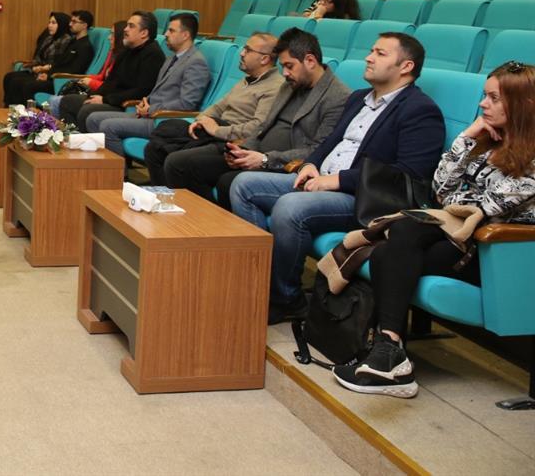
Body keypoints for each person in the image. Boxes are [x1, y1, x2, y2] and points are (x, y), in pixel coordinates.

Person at [331, 61, 535, 398]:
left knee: (394, 245)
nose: (483, 104)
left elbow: (489, 206)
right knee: (395, 243)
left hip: (495, 257)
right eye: (484, 96)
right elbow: (441, 190)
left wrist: (459, 202)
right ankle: (389, 352)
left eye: (494, 98)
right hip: (457, 241)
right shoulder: (486, 141)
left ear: (525, 104)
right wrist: (466, 138)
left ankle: (388, 356)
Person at [230, 32, 445, 323]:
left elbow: (409, 175)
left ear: (406, 67)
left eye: (380, 53)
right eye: (371, 50)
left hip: (363, 198)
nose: (369, 58)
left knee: (290, 207)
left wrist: (339, 180)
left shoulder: (420, 110)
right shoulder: (358, 98)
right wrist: (311, 164)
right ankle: (259, 282)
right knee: (243, 185)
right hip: (322, 181)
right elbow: (331, 141)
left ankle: (286, 298)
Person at [157, 28, 351, 208]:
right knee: (180, 164)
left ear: (310, 60)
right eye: (283, 66)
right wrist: (242, 151)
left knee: (227, 181)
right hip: (255, 153)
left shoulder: (337, 97)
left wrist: (265, 159)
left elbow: (317, 150)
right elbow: (264, 126)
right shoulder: (290, 85)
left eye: (289, 66)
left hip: (284, 165)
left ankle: (217, 228)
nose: (284, 73)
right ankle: (192, 225)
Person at [143, 31, 283, 188]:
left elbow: (257, 127)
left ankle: (182, 201)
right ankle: (161, 193)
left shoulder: (274, 87)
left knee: (176, 161)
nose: (242, 53)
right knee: (154, 148)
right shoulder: (246, 80)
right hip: (213, 133)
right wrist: (201, 120)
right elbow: (218, 106)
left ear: (264, 59)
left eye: (248, 50)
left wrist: (216, 130)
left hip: (231, 141)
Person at [83, 13, 211, 152]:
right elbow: (158, 90)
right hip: (148, 114)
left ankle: (118, 166)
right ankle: (101, 163)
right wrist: (145, 103)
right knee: (93, 119)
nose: (166, 34)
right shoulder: (172, 58)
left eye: (171, 30)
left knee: (108, 126)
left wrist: (151, 109)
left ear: (185, 35)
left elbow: (187, 104)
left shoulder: (196, 63)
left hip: (163, 120)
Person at [58, 11, 164, 129]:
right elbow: (111, 80)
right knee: (68, 101)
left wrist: (105, 100)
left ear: (144, 33)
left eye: (131, 26)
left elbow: (142, 91)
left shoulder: (153, 55)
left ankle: (86, 140)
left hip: (125, 104)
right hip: (111, 99)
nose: (125, 29)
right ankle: (72, 135)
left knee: (87, 110)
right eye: (127, 25)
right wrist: (95, 95)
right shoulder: (128, 50)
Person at [46, 20, 125, 120]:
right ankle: (57, 127)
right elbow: (102, 76)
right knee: (54, 99)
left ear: (120, 37)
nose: (109, 37)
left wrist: (91, 82)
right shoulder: (112, 53)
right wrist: (87, 78)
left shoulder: (122, 58)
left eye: (112, 34)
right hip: (100, 92)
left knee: (57, 100)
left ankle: (59, 128)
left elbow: (112, 86)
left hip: (106, 96)